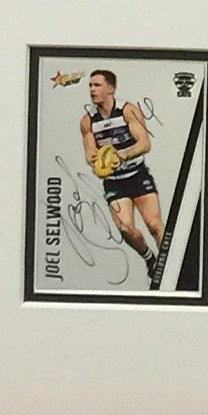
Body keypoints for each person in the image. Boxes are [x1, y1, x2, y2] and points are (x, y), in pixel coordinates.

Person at [79, 69, 164, 288]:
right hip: (115, 181)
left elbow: (144, 143)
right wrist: (99, 161)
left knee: (155, 226)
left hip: (137, 175)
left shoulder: (128, 110)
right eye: (90, 85)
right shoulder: (87, 120)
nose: (92, 89)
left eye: (97, 85)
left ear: (111, 88)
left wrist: (121, 155)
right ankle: (150, 260)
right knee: (126, 228)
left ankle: (170, 263)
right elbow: (89, 153)